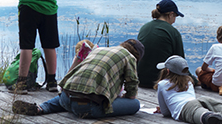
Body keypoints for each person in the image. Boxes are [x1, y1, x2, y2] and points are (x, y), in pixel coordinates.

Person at [12, 39, 144, 119]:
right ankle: (81, 108)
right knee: (135, 105)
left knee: (74, 93)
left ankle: (41, 108)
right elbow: (132, 87)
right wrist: (124, 96)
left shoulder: (99, 50)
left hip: (66, 98)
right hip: (87, 108)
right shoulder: (129, 57)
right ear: (137, 56)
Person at [137, 0, 197, 88]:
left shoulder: (144, 27)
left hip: (140, 79)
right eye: (175, 16)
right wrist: (195, 80)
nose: (174, 21)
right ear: (170, 14)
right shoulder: (173, 32)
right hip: (160, 81)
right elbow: (181, 64)